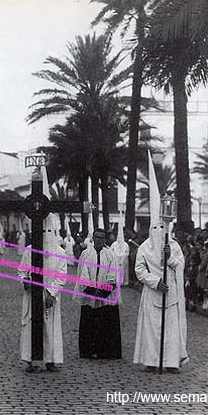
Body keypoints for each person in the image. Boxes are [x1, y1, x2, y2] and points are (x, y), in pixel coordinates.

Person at [133, 154, 187, 373]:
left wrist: (170, 258)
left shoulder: (173, 245)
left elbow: (180, 265)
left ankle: (171, 361)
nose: (158, 232)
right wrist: (155, 282)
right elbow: (139, 270)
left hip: (171, 294)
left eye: (161, 228)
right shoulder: (144, 248)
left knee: (170, 329)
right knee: (152, 329)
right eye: (154, 228)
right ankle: (151, 360)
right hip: (153, 292)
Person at [18, 213, 66, 373]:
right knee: (32, 325)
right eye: (43, 232)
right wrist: (25, 281)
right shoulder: (30, 250)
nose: (46, 235)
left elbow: (62, 275)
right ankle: (31, 361)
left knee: (50, 328)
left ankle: (50, 360)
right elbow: (22, 270)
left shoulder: (60, 252)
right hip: (33, 295)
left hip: (49, 296)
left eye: (49, 232)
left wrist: (52, 293)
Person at [74, 228, 121, 359]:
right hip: (90, 294)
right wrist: (92, 290)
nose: (99, 240)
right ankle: (88, 350)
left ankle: (106, 351)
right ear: (93, 238)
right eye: (97, 237)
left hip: (105, 294)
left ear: (105, 239)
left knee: (106, 323)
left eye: (102, 237)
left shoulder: (110, 255)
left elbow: (113, 273)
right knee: (89, 322)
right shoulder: (86, 254)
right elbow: (83, 274)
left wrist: (104, 290)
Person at [111, 219, 130, 287]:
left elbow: (127, 252)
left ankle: (123, 282)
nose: (120, 239)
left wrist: (123, 257)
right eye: (119, 237)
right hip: (115, 260)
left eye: (121, 237)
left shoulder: (125, 245)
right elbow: (111, 250)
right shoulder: (114, 244)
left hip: (123, 261)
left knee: (123, 271)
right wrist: (115, 256)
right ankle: (115, 281)